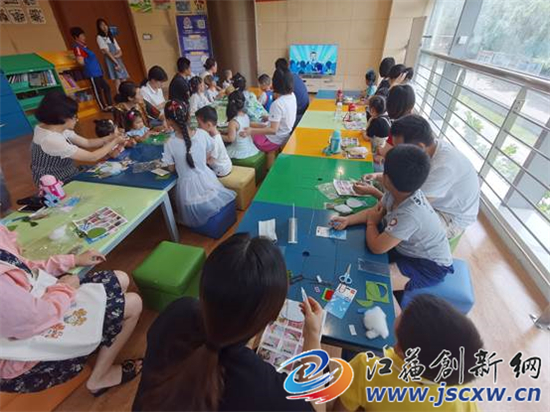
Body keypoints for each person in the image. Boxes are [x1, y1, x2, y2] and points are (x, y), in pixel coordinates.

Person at [132, 233, 323, 411]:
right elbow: (315, 407)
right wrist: (313, 336)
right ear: (269, 319)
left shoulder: (178, 311)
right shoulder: (259, 384)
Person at [0, 225, 143, 396]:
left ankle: (100, 340)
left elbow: (23, 267)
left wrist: (72, 260)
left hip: (39, 304)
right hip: (24, 355)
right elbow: (34, 319)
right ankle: (99, 378)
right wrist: (64, 288)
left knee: (121, 278)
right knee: (133, 303)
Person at [331, 145, 454, 292]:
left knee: (373, 282)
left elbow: (377, 247)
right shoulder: (398, 192)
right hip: (405, 248)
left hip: (427, 266)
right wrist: (348, 220)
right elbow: (374, 211)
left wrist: (371, 223)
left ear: (386, 179)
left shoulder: (410, 214)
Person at [335, 294, 483, 412]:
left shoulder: (366, 368)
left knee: (352, 351)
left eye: (403, 314)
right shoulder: (464, 397)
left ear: (400, 350)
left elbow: (340, 409)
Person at [359, 115, 480, 239]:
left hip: (448, 216)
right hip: (429, 201)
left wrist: (374, 194)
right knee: (387, 201)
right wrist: (376, 176)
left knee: (395, 223)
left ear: (420, 146)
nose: (396, 152)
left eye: (400, 148)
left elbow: (410, 206)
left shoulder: (443, 167)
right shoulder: (428, 149)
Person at [161, 100, 235, 227]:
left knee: (173, 195)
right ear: (189, 116)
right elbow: (208, 152)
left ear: (168, 121)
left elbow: (171, 169)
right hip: (209, 181)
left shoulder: (169, 143)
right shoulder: (202, 134)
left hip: (188, 193)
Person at [31, 91, 125, 185]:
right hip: (56, 181)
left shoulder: (52, 126)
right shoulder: (50, 139)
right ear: (62, 117)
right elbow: (92, 157)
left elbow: (87, 142)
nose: (77, 120)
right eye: (74, 116)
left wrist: (111, 137)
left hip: (68, 171)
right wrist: (115, 141)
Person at [241, 69, 297, 154]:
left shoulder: (277, 103)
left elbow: (273, 130)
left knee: (248, 132)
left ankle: (268, 154)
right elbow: (284, 116)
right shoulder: (292, 95)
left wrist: (251, 131)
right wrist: (269, 118)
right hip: (285, 133)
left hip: (274, 139)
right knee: (254, 124)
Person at [70, 26, 112, 111]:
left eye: (84, 35)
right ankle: (103, 107)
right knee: (97, 91)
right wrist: (87, 63)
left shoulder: (85, 47)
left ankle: (110, 105)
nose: (84, 37)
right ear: (76, 37)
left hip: (98, 72)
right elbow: (80, 61)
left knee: (106, 87)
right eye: (82, 36)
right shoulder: (78, 47)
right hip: (92, 73)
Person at [196, 106, 232, 177]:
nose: (198, 127)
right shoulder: (216, 134)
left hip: (221, 170)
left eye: (199, 124)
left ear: (209, 125)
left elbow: (211, 161)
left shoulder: (215, 141)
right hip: (226, 165)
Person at [223, 90, 259, 160]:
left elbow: (230, 139)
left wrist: (218, 134)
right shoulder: (245, 116)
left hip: (240, 151)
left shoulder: (233, 122)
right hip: (250, 148)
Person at [96, 18, 128, 91]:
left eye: (105, 25)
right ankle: (119, 95)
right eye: (101, 25)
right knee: (117, 80)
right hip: (111, 60)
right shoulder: (99, 37)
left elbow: (119, 50)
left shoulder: (111, 37)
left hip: (117, 59)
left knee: (124, 78)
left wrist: (117, 56)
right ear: (99, 27)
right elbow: (107, 52)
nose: (104, 27)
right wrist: (116, 63)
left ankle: (126, 93)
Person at [275, 58, 309, 126]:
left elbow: (279, 96)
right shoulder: (294, 75)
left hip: (298, 111)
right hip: (305, 106)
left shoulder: (285, 78)